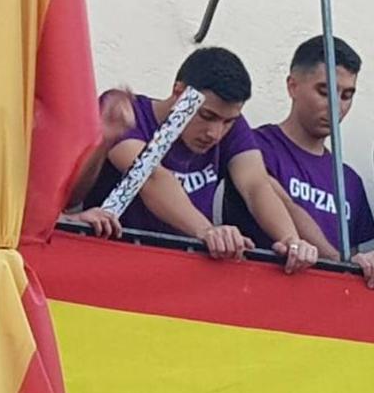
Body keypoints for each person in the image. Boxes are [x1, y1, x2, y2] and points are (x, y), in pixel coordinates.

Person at [85, 46, 316, 272]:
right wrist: (206, 231)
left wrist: (290, 241)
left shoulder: (231, 126)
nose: (214, 133)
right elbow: (150, 177)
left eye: (227, 122)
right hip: (112, 264)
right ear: (179, 93)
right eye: (206, 116)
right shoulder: (130, 113)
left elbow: (256, 185)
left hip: (183, 273)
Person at [0, 42, 132, 237]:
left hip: (35, 240)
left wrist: (102, 135)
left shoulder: (50, 86)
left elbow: (70, 193)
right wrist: (61, 219)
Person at [224, 36, 374, 274]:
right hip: (257, 294)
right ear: (292, 86)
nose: (336, 106)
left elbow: (358, 263)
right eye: (324, 92)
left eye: (347, 96)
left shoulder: (350, 182)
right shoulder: (255, 147)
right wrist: (340, 263)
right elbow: (281, 203)